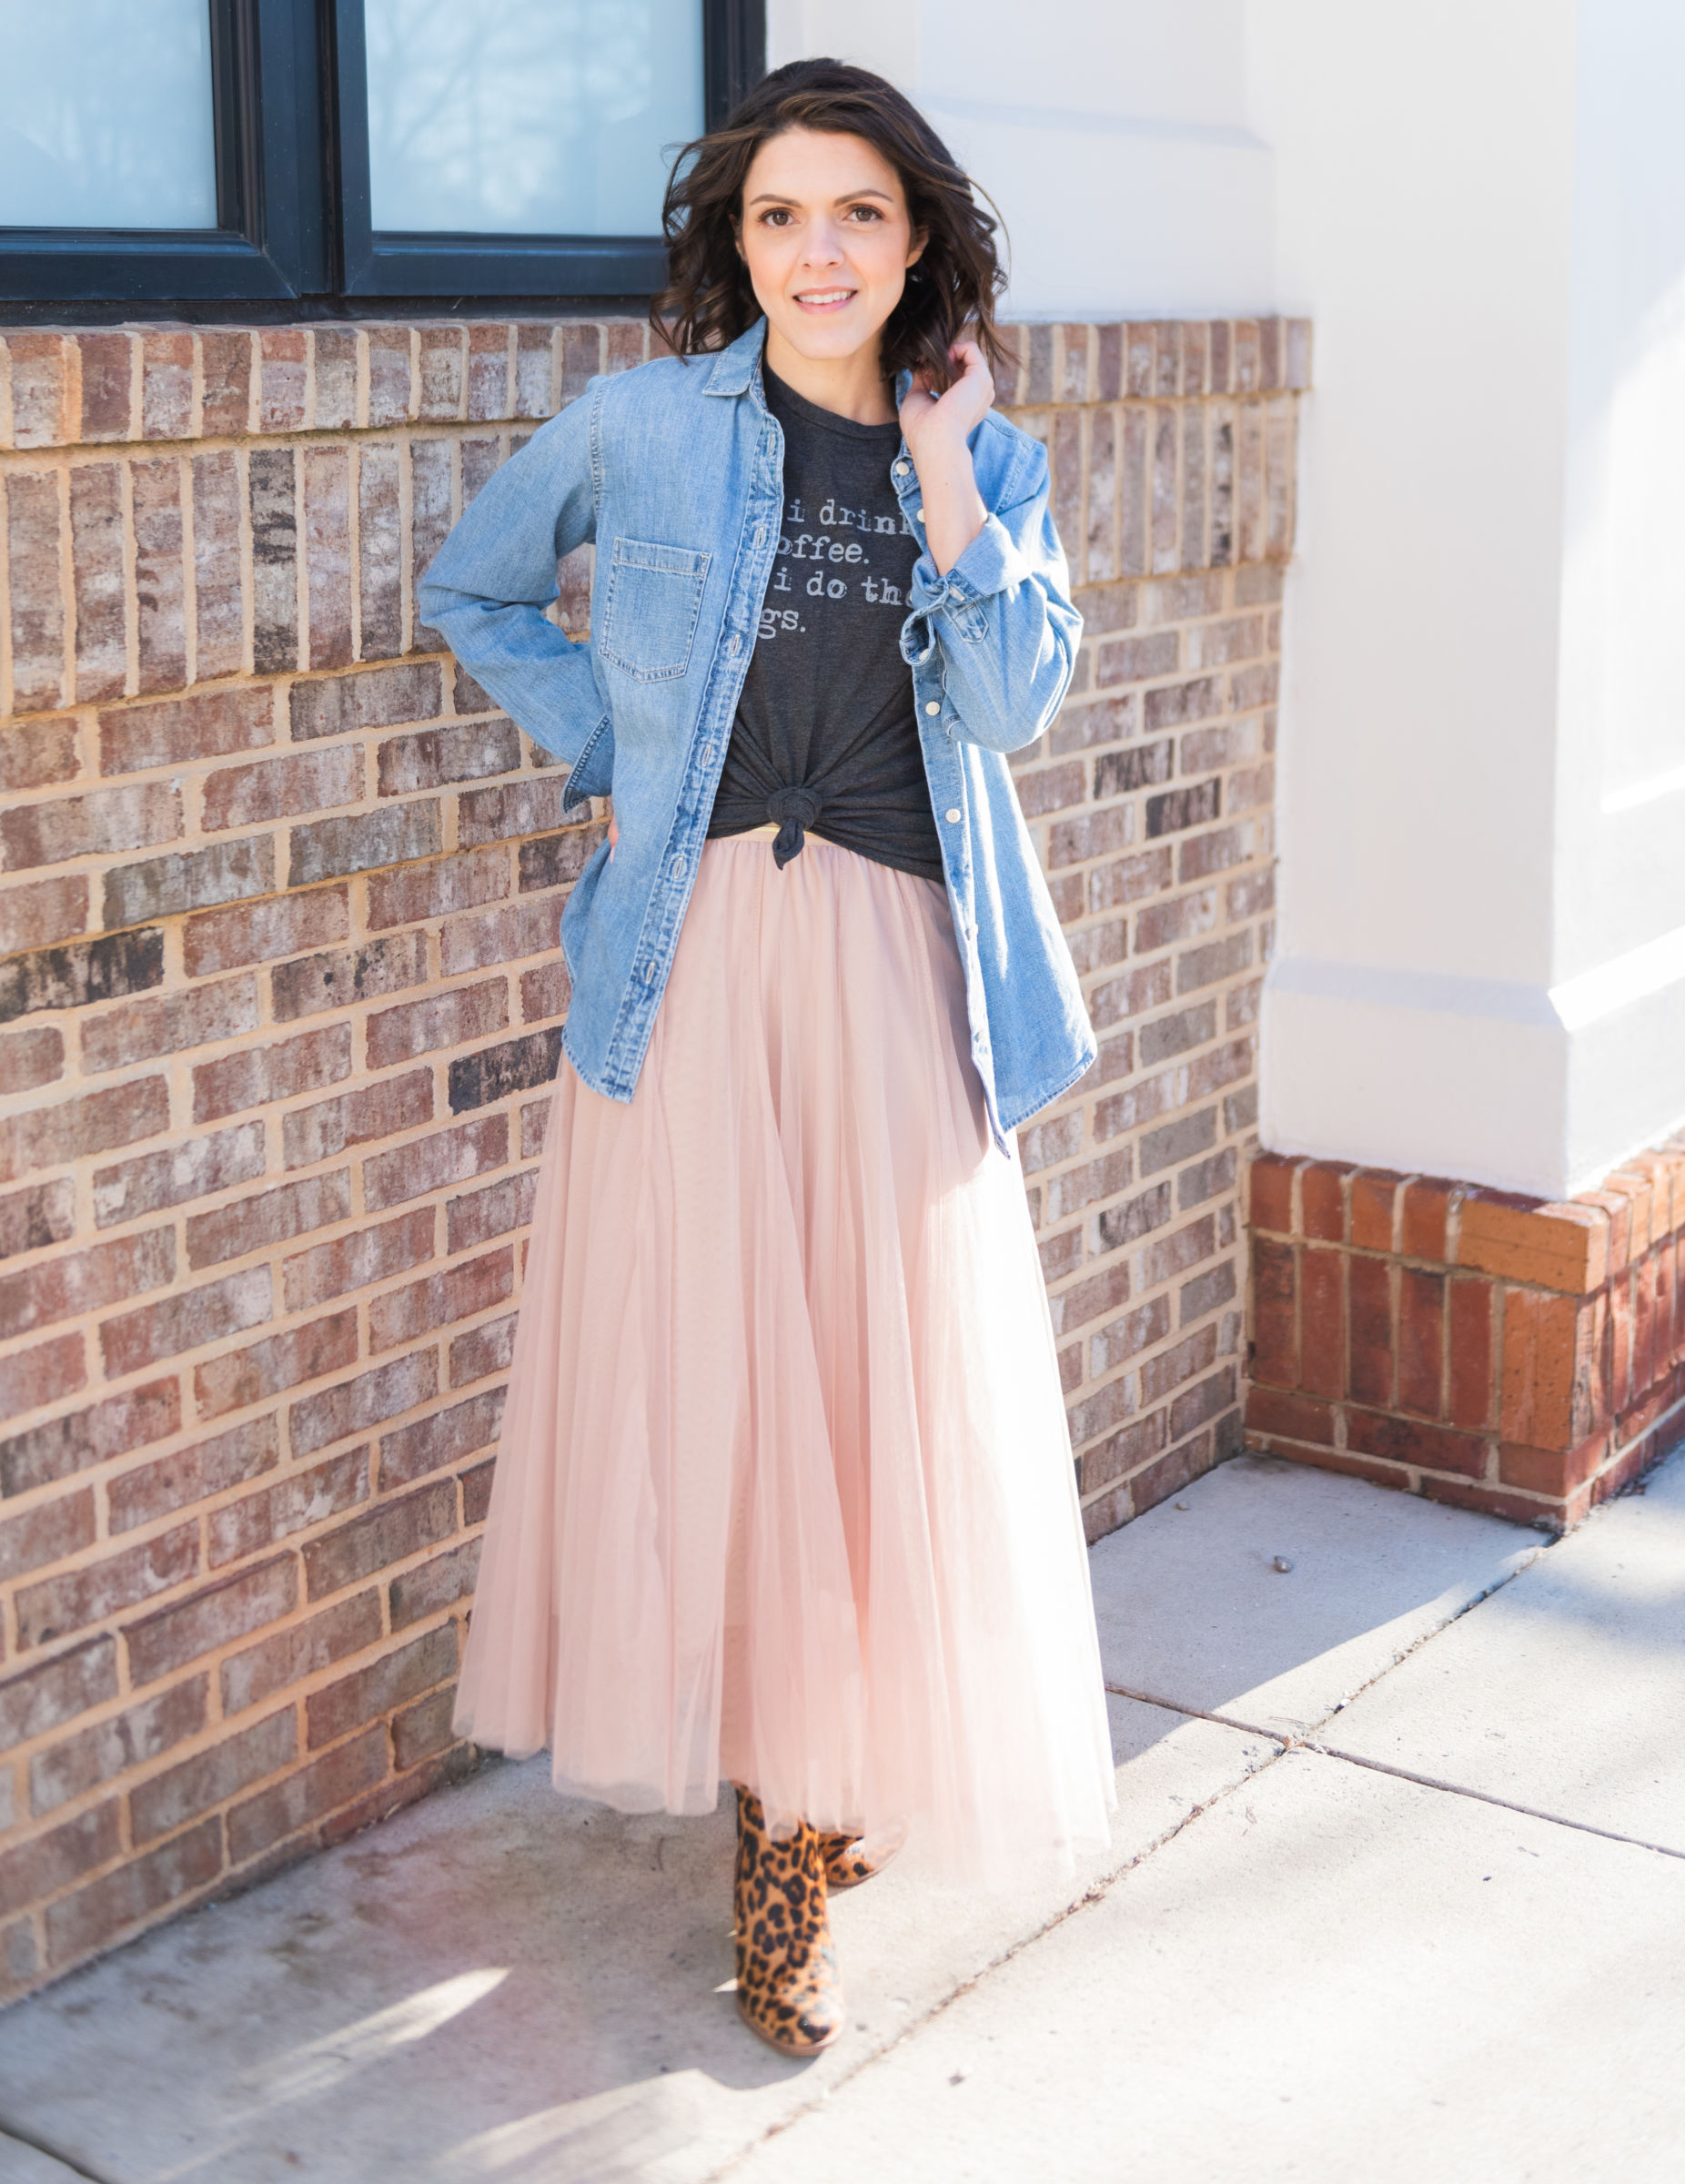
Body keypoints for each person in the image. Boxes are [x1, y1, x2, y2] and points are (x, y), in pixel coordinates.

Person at [419, 56, 1115, 2060]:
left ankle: (825, 1783)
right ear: (741, 242)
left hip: (901, 968)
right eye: (782, 216)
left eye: (860, 215)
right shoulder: (642, 428)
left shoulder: (988, 458)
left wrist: (963, 477)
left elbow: (1010, 698)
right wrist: (620, 763)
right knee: (726, 1392)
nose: (821, 252)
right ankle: (776, 1849)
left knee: (875, 1393)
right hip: (700, 961)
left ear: (920, 245)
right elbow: (471, 584)